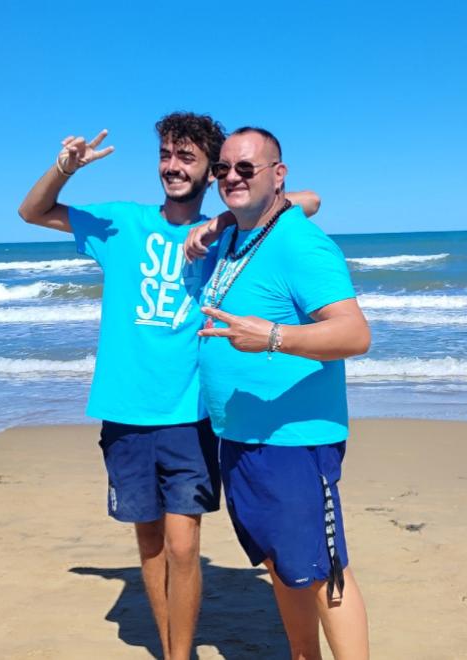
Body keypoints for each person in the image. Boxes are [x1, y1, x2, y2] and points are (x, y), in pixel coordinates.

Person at [18, 113, 321, 660]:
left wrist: (216, 222)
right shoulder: (120, 224)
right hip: (125, 411)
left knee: (184, 547)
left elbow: (309, 200)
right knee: (150, 546)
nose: (173, 166)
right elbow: (33, 210)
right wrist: (63, 169)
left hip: (190, 412)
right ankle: (171, 651)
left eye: (187, 157)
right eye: (166, 154)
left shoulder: (229, 231)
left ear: (211, 172)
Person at [198, 126, 371, 660]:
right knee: (281, 563)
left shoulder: (301, 243)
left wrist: (271, 336)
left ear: (278, 173)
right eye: (222, 169)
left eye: (246, 168)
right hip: (243, 437)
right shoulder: (236, 235)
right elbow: (291, 201)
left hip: (294, 441)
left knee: (322, 571)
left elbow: (355, 334)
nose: (231, 177)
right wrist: (223, 218)